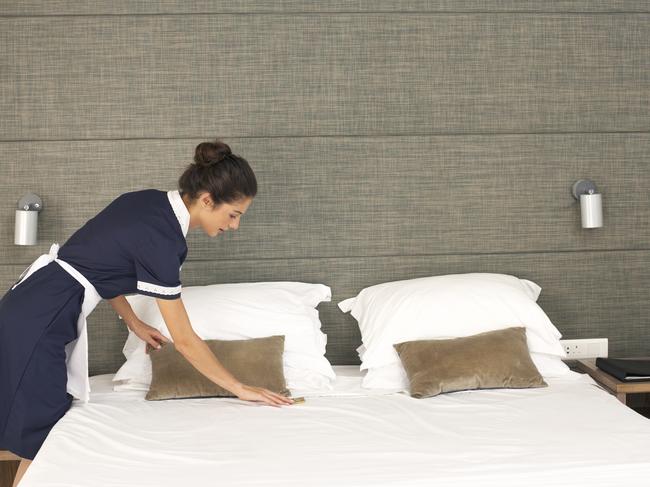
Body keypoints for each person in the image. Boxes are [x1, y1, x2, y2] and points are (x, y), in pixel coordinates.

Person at [0, 138, 293, 486]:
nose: (234, 226)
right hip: (40, 318)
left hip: (32, 304)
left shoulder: (146, 202)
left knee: (40, 428)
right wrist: (239, 387)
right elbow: (184, 339)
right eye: (233, 215)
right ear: (207, 200)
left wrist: (134, 321)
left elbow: (92, 265)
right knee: (44, 434)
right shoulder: (164, 240)